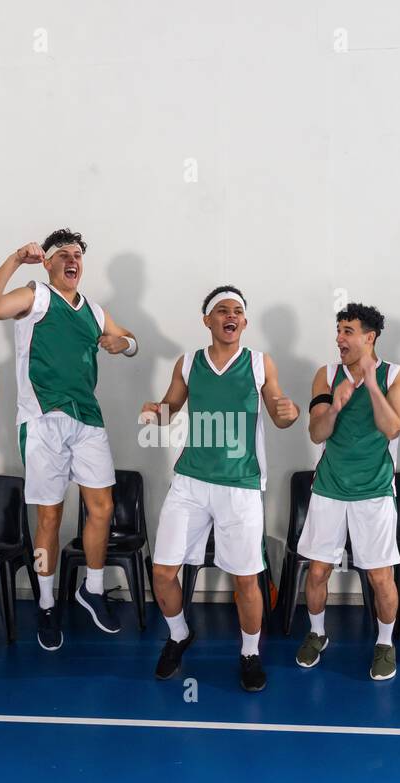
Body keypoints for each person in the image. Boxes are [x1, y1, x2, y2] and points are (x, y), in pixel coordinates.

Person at [0, 228, 139, 650]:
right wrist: (14, 259)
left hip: (88, 420)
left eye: (78, 254)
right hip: (43, 421)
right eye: (63, 253)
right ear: (47, 263)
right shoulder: (36, 296)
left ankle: (93, 590)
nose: (72, 259)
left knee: (101, 507)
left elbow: (132, 340)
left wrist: (122, 344)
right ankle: (46, 603)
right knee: (49, 518)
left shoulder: (95, 311)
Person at [143, 285, 299, 692]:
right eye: (222, 310)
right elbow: (169, 408)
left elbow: (280, 412)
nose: (231, 316)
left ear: (245, 322)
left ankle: (250, 652)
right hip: (191, 481)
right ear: (207, 320)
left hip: (241, 486)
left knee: (247, 579)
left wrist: (290, 412)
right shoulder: (189, 362)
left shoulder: (260, 364)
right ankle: (179, 634)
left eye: (238, 311)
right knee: (162, 572)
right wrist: (154, 413)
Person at [294, 304, 400, 681]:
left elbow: (392, 428)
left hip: (375, 492)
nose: (339, 338)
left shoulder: (398, 376)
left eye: (348, 331)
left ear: (370, 337)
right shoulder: (325, 375)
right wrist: (336, 406)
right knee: (317, 572)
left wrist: (371, 385)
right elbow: (316, 433)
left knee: (380, 577)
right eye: (338, 330)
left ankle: (384, 643)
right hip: (329, 488)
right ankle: (316, 633)